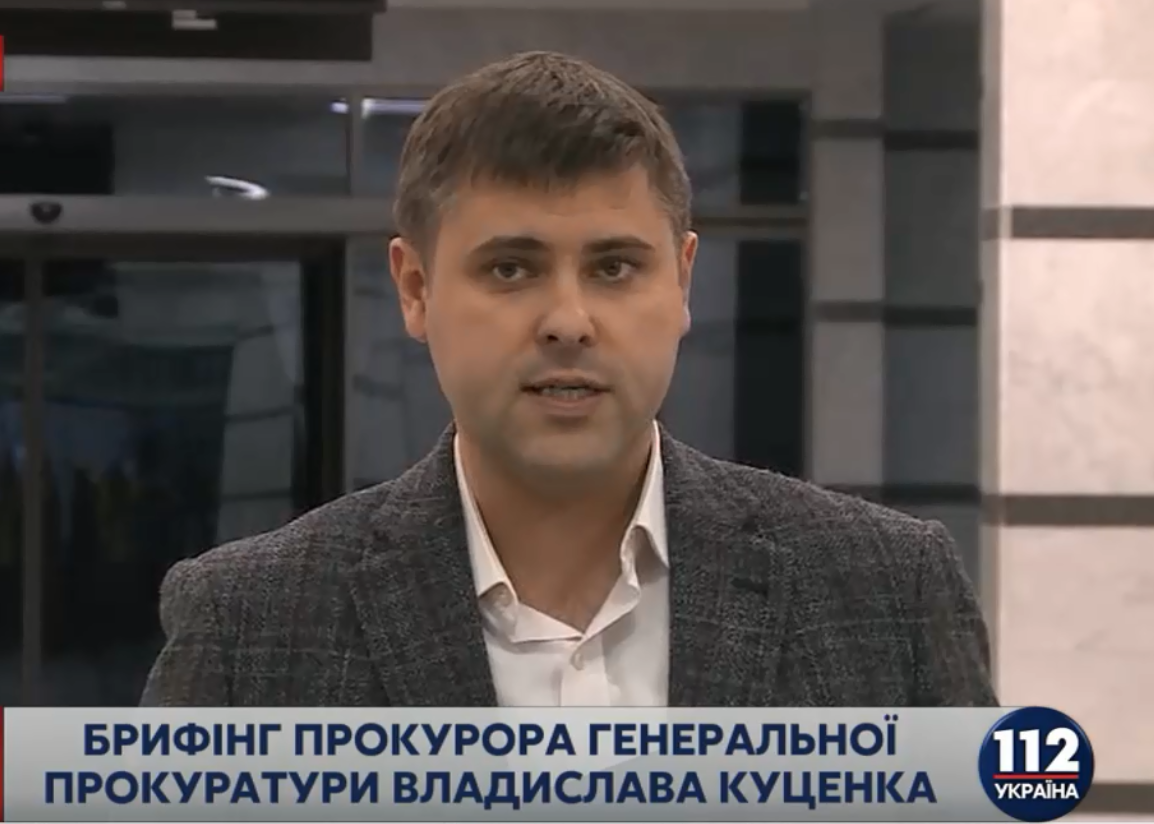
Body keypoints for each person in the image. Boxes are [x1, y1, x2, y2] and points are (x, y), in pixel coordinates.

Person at [141, 51, 996, 708]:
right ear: (416, 290)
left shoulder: (886, 591)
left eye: (614, 267)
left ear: (682, 282)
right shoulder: (249, 627)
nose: (568, 320)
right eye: (510, 269)